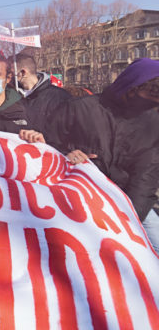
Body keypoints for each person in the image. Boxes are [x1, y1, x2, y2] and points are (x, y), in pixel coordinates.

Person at [45, 58, 159, 251]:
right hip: (80, 197)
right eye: (149, 95)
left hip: (127, 204)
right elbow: (47, 144)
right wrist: (66, 155)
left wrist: (128, 219)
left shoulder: (152, 122)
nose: (148, 104)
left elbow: (147, 175)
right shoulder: (79, 108)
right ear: (131, 87)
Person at [12, 53, 71, 134]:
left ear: (22, 73)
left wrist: (44, 138)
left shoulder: (60, 97)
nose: (8, 76)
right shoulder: (9, 96)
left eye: (10, 73)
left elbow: (69, 131)